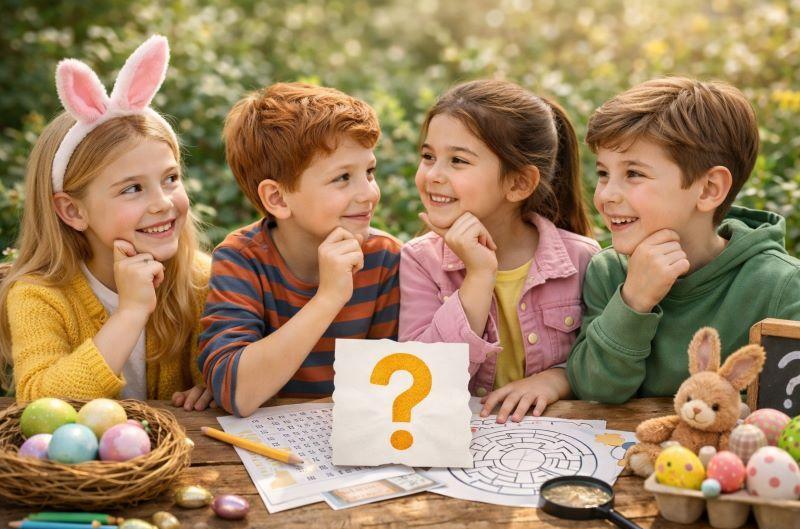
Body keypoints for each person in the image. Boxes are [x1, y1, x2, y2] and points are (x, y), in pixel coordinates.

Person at [0, 36, 213, 409]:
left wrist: (217, 386)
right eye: (132, 188)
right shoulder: (39, 295)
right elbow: (39, 402)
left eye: (170, 179)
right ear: (73, 211)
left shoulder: (199, 281)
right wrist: (130, 312)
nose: (163, 203)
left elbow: (228, 373)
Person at [567, 77, 800, 403]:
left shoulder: (783, 287)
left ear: (708, 190)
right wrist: (633, 302)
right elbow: (595, 389)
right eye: (604, 173)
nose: (605, 195)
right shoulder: (609, 272)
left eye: (633, 173)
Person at [400, 79, 599, 423]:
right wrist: (478, 276)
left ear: (518, 183)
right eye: (428, 156)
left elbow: (602, 362)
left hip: (552, 443)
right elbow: (424, 379)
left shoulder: (582, 259)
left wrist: (557, 378)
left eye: (458, 160)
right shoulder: (420, 261)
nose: (432, 174)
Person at [199, 82, 400, 417]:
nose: (368, 194)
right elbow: (237, 392)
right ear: (277, 198)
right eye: (342, 178)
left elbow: (388, 385)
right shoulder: (241, 259)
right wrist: (329, 297)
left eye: (369, 172)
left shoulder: (383, 259)